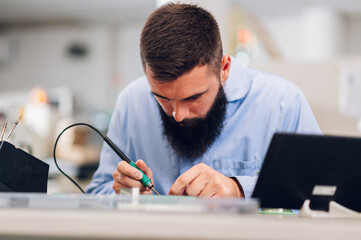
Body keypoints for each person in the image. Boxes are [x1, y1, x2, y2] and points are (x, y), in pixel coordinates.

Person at [86, 3, 321, 198]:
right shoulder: (131, 102)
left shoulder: (283, 104)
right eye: (163, 98)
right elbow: (97, 192)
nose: (178, 114)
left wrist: (240, 189)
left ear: (224, 68)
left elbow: (320, 191)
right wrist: (123, 194)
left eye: (193, 97)